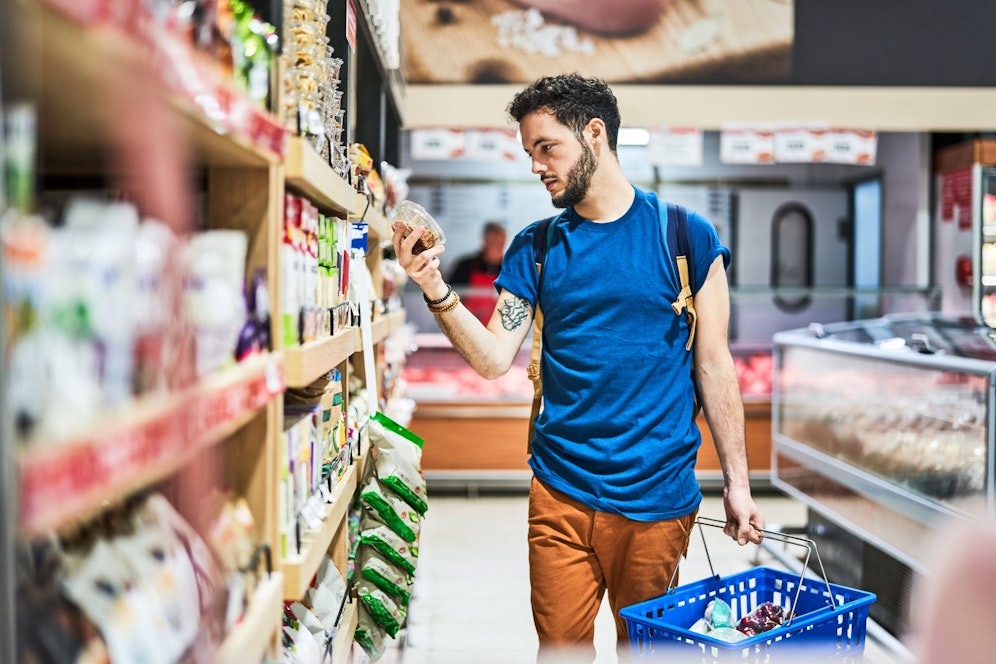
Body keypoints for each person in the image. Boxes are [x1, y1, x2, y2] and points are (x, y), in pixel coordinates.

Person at [391, 73, 764, 662]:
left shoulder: (686, 236)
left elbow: (715, 368)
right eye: (529, 153)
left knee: (648, 651)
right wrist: (432, 284)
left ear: (594, 134)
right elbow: (492, 358)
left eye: (547, 148)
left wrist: (738, 485)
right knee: (560, 649)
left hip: (658, 497)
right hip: (559, 492)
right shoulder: (535, 248)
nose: (536, 166)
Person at [447, 221, 508, 323]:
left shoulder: (510, 270)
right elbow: (449, 297)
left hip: (499, 327)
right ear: (485, 242)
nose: (498, 248)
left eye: (501, 244)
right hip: (468, 325)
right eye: (495, 243)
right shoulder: (465, 266)